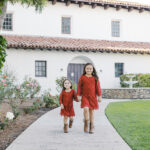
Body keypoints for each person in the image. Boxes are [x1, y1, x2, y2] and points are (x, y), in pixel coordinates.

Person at [77, 63, 102, 134]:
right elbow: (79, 87)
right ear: (85, 69)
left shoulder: (95, 78)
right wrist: (78, 95)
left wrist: (99, 96)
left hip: (93, 97)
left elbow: (98, 88)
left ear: (92, 69)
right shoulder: (82, 77)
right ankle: (86, 123)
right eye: (87, 68)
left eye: (90, 68)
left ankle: (91, 127)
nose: (89, 70)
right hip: (85, 97)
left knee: (91, 112)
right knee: (85, 109)